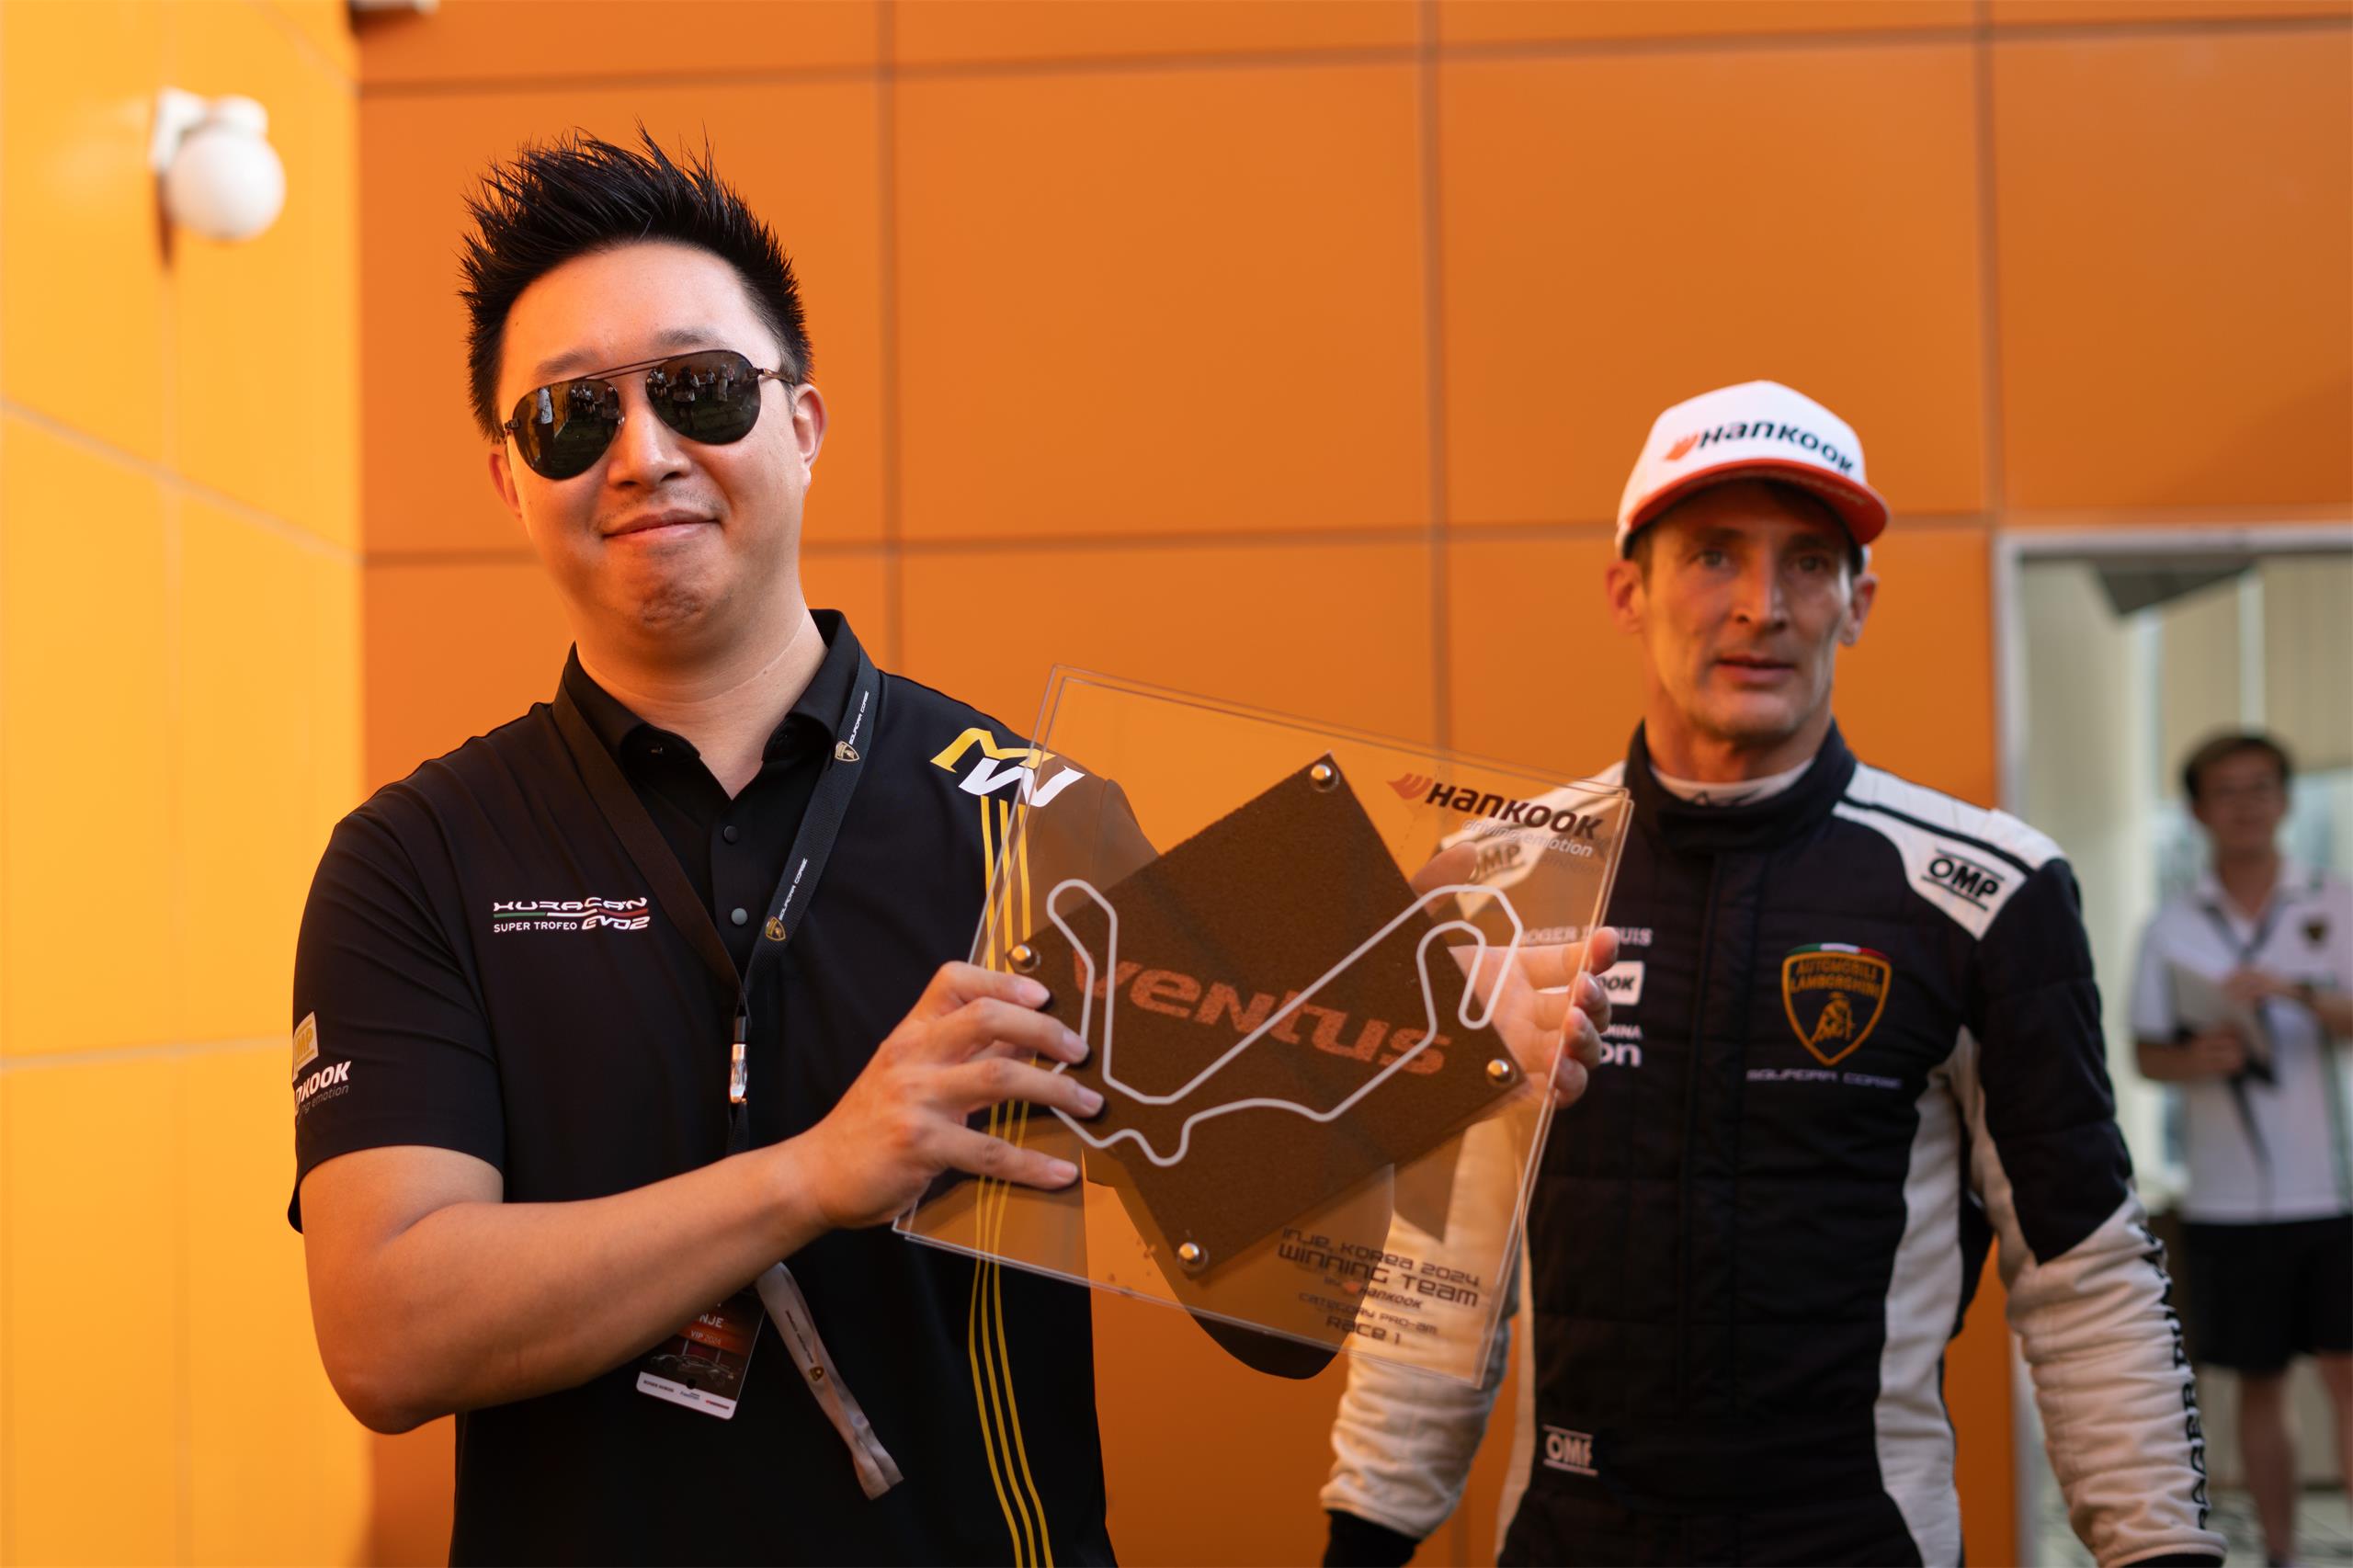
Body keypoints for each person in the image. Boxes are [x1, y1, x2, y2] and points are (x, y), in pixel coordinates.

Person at [288, 131, 1613, 1563]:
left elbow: (1278, 1326)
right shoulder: (414, 857)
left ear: (803, 423)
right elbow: (387, 1335)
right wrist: (819, 1171)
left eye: (699, 389)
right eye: (569, 416)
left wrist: (1389, 1053)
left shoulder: (1036, 813)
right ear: (508, 479)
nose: (644, 453)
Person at [1319, 381, 2224, 1565]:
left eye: (1806, 562)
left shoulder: (1992, 890)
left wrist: (2157, 1544)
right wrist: (1365, 1535)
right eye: (1712, 555)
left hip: (1858, 1537)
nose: (1761, 605)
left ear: (1857, 602)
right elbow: (1443, 1260)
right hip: (1569, 1537)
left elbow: (2086, 1271)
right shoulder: (1501, 876)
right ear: (1627, 591)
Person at [2131, 731, 2353, 1566]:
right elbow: (2147, 1054)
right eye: (2226, 791)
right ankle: (2282, 1555)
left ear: (2286, 799)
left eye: (2262, 787)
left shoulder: (2333, 900)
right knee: (2257, 1380)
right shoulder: (2172, 924)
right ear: (2197, 811)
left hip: (2335, 1190)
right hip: (2228, 1197)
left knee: (2346, 1376)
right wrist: (2199, 1057)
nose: (2247, 805)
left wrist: (2295, 994)